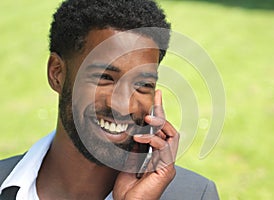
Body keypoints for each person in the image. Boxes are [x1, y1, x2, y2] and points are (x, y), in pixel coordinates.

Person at [0, 0, 219, 199]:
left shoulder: (196, 195)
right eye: (105, 77)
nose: (122, 106)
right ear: (57, 73)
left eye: (142, 85)